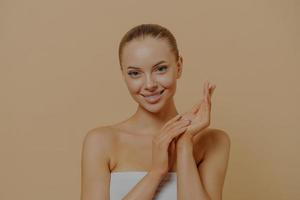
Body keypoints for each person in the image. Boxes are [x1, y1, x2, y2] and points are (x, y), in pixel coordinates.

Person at [80, 23, 231, 200]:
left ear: (179, 66)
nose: (150, 84)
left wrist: (184, 145)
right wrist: (156, 172)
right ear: (123, 75)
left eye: (160, 69)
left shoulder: (213, 142)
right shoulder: (101, 141)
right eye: (135, 73)